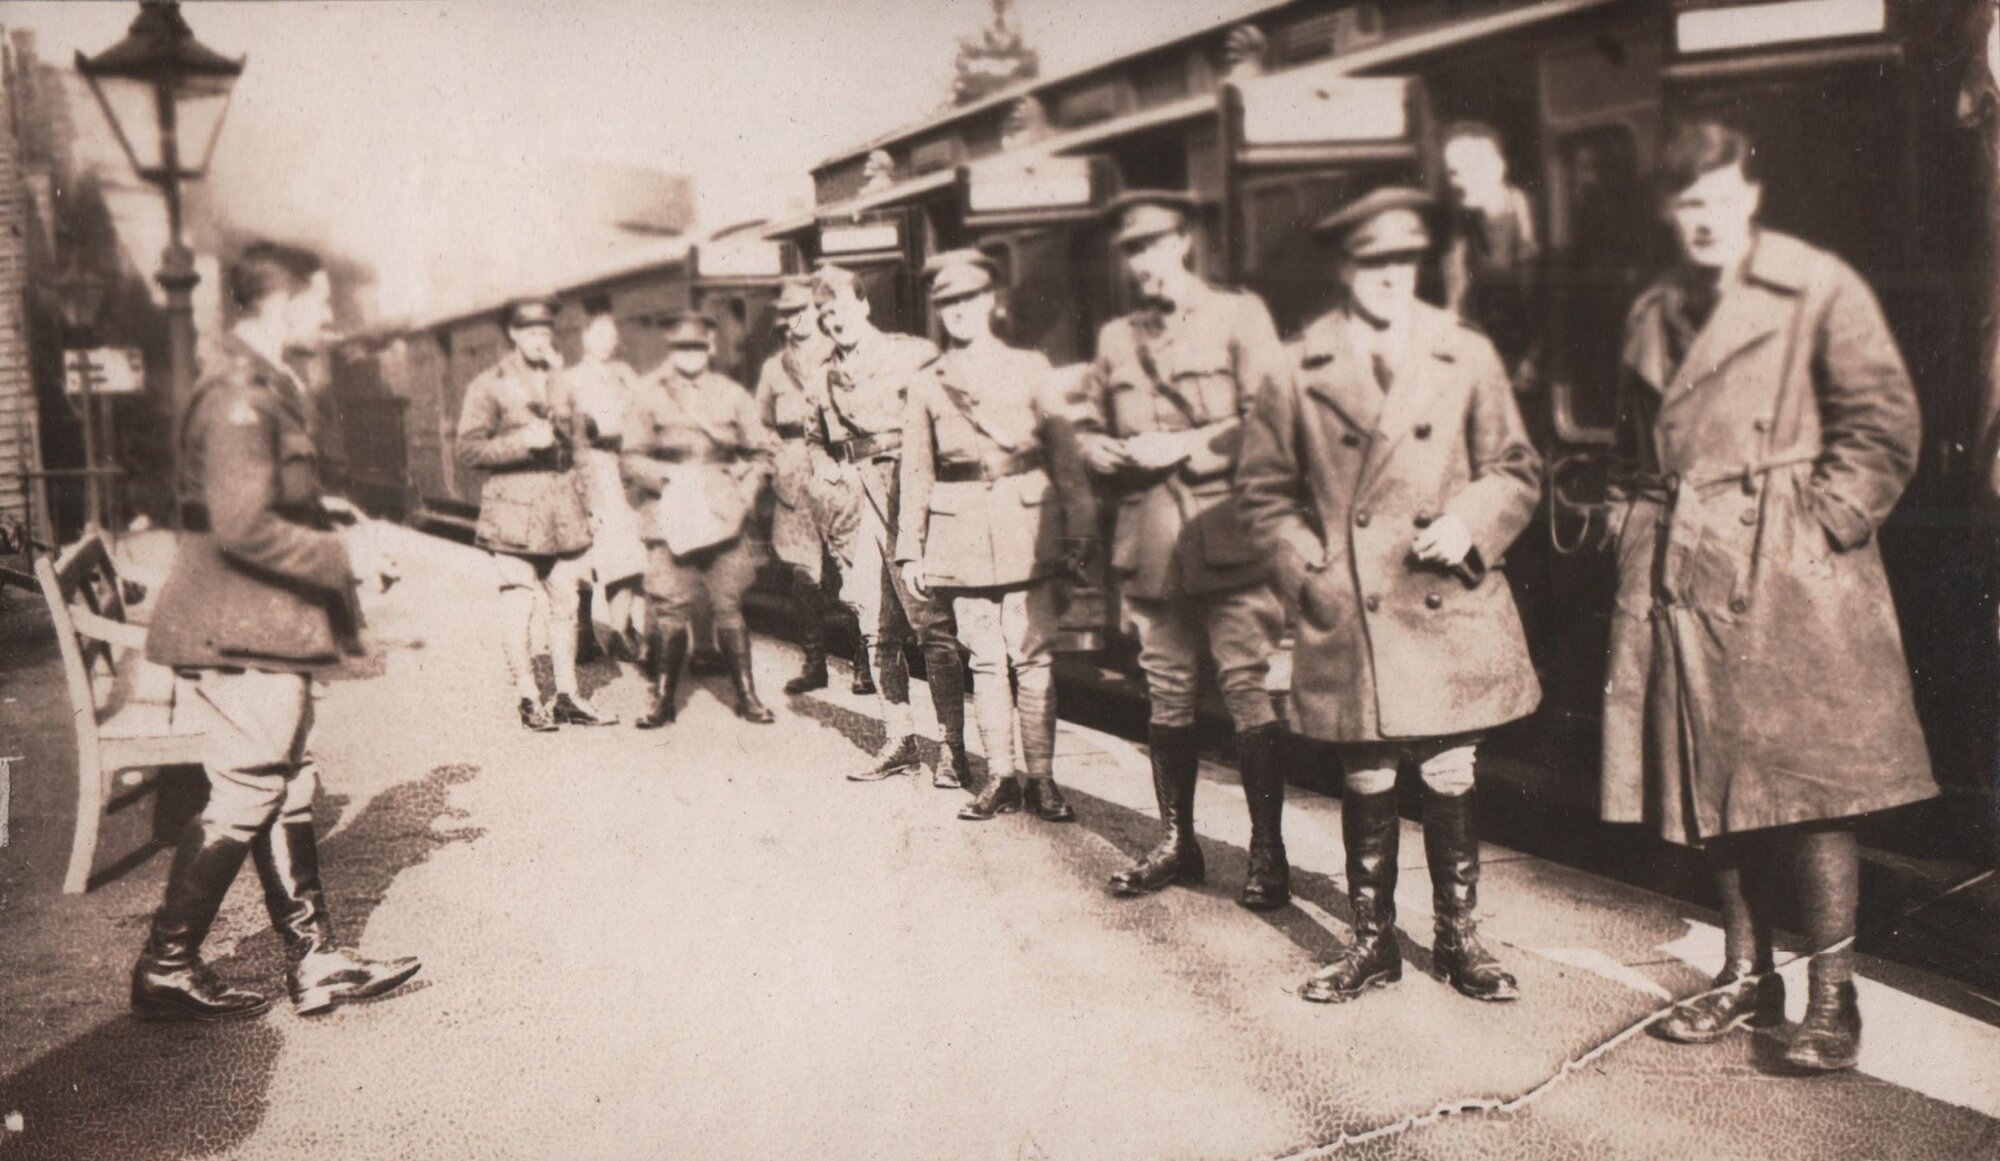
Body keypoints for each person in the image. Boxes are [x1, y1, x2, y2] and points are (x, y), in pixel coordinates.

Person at [1601, 121, 1936, 1071]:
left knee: (1814, 785)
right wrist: (1632, 530)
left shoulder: (1816, 285)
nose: (1703, 219)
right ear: (1670, 214)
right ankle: (1746, 974)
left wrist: (1821, 527)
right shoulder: (1656, 309)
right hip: (1685, 568)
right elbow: (1629, 451)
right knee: (1713, 776)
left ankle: (1834, 998)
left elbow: (1884, 426)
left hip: (1791, 572)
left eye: (1718, 198)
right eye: (1687, 204)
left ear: (1749, 198)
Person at [1239, 187, 1542, 1005]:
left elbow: (1515, 467)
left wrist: (1472, 521)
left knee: (1449, 764)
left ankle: (1458, 938)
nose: (1388, 276)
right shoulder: (1297, 367)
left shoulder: (1463, 354)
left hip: (1443, 593)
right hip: (1352, 602)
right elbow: (1261, 495)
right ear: (1346, 267)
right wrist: (1311, 572)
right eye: (1372, 261)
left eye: (1402, 260)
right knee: (1367, 766)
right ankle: (1371, 942)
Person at [135, 242, 420, 1021]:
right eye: (317, 299)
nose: (326, 313)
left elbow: (269, 500)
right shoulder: (241, 393)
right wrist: (346, 555)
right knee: (250, 784)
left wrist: (336, 521)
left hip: (260, 618)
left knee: (286, 777)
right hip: (240, 621)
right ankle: (166, 963)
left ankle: (315, 960)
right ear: (283, 301)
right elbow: (242, 525)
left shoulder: (264, 383)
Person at [1076, 191, 1291, 910]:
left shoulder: (1239, 316)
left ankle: (1267, 851)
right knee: (1165, 691)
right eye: (1133, 251)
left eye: (1156, 245)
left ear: (1183, 245)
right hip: (1152, 541)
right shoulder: (1117, 338)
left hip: (1229, 533)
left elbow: (1274, 417)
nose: (1145, 262)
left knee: (1247, 688)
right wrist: (1096, 449)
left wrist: (1189, 445)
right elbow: (1088, 424)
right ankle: (1178, 842)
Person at [898, 251, 1098, 821]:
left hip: (1027, 524)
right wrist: (911, 548)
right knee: (985, 660)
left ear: (990, 301)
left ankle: (1044, 780)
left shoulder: (1030, 367)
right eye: (947, 304)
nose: (959, 312)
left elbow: (1065, 455)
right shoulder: (928, 382)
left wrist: (1080, 532)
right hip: (960, 531)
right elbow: (917, 469)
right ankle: (1001, 778)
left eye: (968, 299)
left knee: (1032, 658)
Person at [808, 265, 971, 789]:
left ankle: (953, 748)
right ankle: (899, 740)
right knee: (874, 627)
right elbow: (814, 439)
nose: (835, 322)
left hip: (908, 496)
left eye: (841, 310)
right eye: (825, 315)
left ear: (863, 305)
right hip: (860, 506)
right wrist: (826, 470)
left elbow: (948, 422)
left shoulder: (912, 354)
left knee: (932, 626)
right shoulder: (821, 375)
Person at [455, 297, 614, 730]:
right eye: (530, 332)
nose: (539, 340)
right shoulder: (489, 385)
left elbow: (581, 448)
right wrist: (524, 443)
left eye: (545, 332)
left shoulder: (563, 383)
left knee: (566, 602)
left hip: (562, 510)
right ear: (514, 334)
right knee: (519, 602)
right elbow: (467, 450)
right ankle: (527, 697)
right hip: (514, 511)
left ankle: (568, 697)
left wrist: (594, 504)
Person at [621, 312, 777, 728]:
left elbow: (761, 453)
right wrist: (666, 477)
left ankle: (747, 697)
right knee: (670, 609)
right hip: (669, 513)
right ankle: (663, 700)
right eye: (681, 348)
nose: (689, 355)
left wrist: (744, 496)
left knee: (729, 605)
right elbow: (631, 458)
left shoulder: (731, 394)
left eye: (696, 347)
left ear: (709, 349)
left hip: (723, 514)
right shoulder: (649, 396)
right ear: (671, 351)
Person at [754, 275, 871, 696]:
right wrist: (778, 459)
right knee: (804, 578)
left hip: (837, 472)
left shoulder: (837, 353)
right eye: (787, 313)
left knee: (851, 570)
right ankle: (814, 662)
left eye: (801, 310)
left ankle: (866, 664)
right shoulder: (774, 368)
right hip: (794, 483)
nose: (795, 319)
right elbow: (761, 423)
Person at [563, 304, 649, 662]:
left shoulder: (623, 375)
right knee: (589, 556)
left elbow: (644, 410)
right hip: (593, 469)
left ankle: (618, 629)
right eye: (600, 335)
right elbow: (576, 436)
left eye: (612, 336)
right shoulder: (572, 379)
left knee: (628, 554)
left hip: (624, 466)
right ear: (585, 337)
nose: (607, 343)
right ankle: (586, 633)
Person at [1440, 121, 1540, 388]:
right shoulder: (1459, 231)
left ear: (1498, 168)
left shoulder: (1538, 218)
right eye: (1453, 173)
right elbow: (1455, 308)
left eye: (1470, 169)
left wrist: (1534, 359)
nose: (1459, 182)